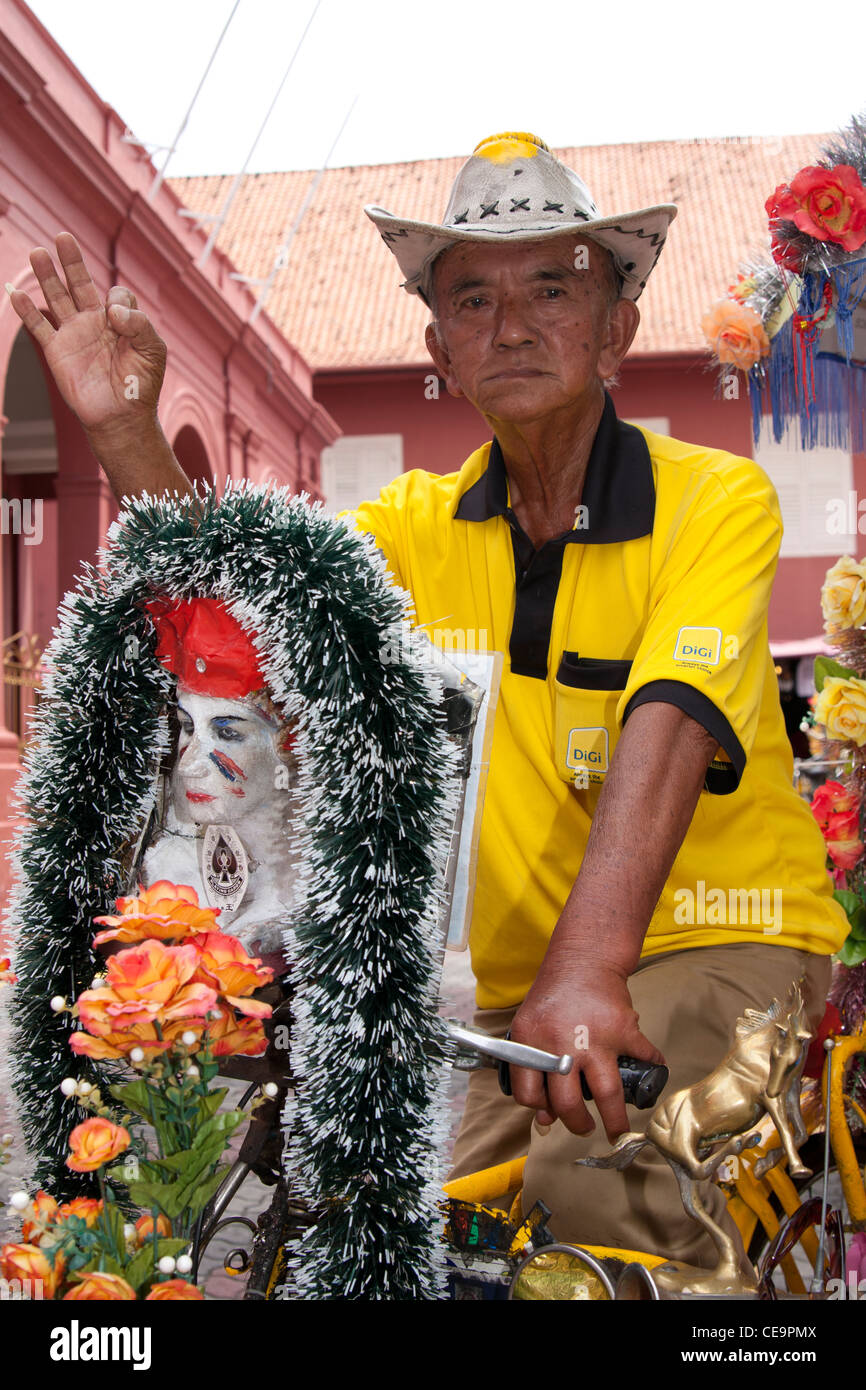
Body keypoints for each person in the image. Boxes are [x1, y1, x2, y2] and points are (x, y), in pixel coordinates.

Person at [6, 131, 848, 1266]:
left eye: (553, 287)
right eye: (470, 299)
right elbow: (250, 634)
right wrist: (122, 430)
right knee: (391, 1229)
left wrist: (591, 969)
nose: (510, 324)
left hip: (714, 944)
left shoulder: (714, 500)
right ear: (437, 347)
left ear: (617, 331)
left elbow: (668, 723)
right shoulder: (407, 525)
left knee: (598, 1198)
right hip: (517, 997)